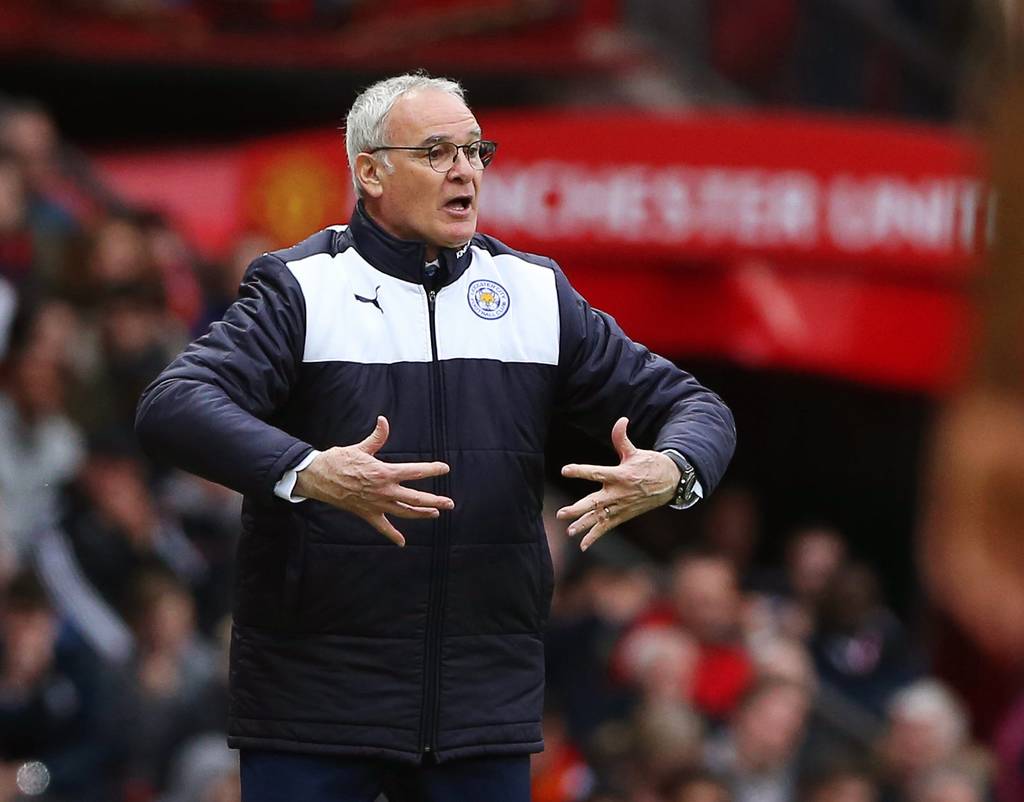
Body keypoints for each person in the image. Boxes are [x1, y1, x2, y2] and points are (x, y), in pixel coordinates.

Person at [134, 72, 736, 802]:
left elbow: (695, 406)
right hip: (316, 706)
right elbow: (173, 404)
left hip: (481, 712)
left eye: (475, 150)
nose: (465, 170)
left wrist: (674, 470)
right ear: (370, 173)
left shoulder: (535, 294)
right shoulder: (301, 288)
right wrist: (305, 468)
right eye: (436, 151)